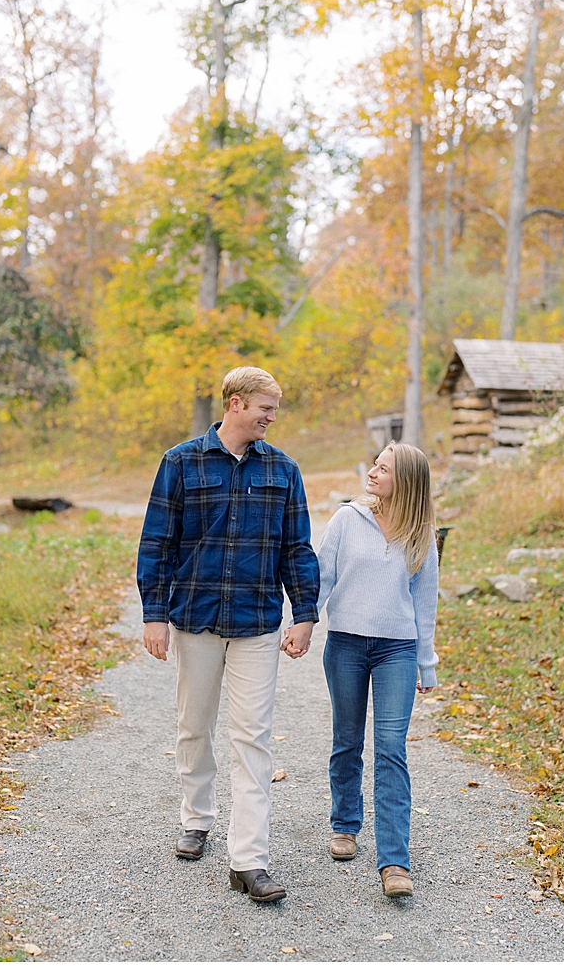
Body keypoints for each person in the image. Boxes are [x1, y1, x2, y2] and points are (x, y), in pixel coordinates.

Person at [138, 366, 319, 904]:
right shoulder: (180, 462)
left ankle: (250, 859)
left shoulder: (284, 470)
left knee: (253, 739)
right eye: (265, 407)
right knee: (194, 727)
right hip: (194, 618)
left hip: (256, 624)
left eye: (275, 409)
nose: (271, 417)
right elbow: (157, 542)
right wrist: (154, 614)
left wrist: (305, 613)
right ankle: (196, 819)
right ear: (235, 403)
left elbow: (297, 549)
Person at [315, 441, 439, 899]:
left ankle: (394, 861)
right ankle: (345, 824)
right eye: (374, 464)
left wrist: (427, 663)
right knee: (347, 740)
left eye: (383, 469)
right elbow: (322, 576)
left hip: (398, 651)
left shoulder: (420, 534)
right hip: (346, 643)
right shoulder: (348, 519)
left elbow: (425, 604)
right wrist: (303, 623)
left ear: (403, 481)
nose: (372, 473)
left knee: (391, 748)